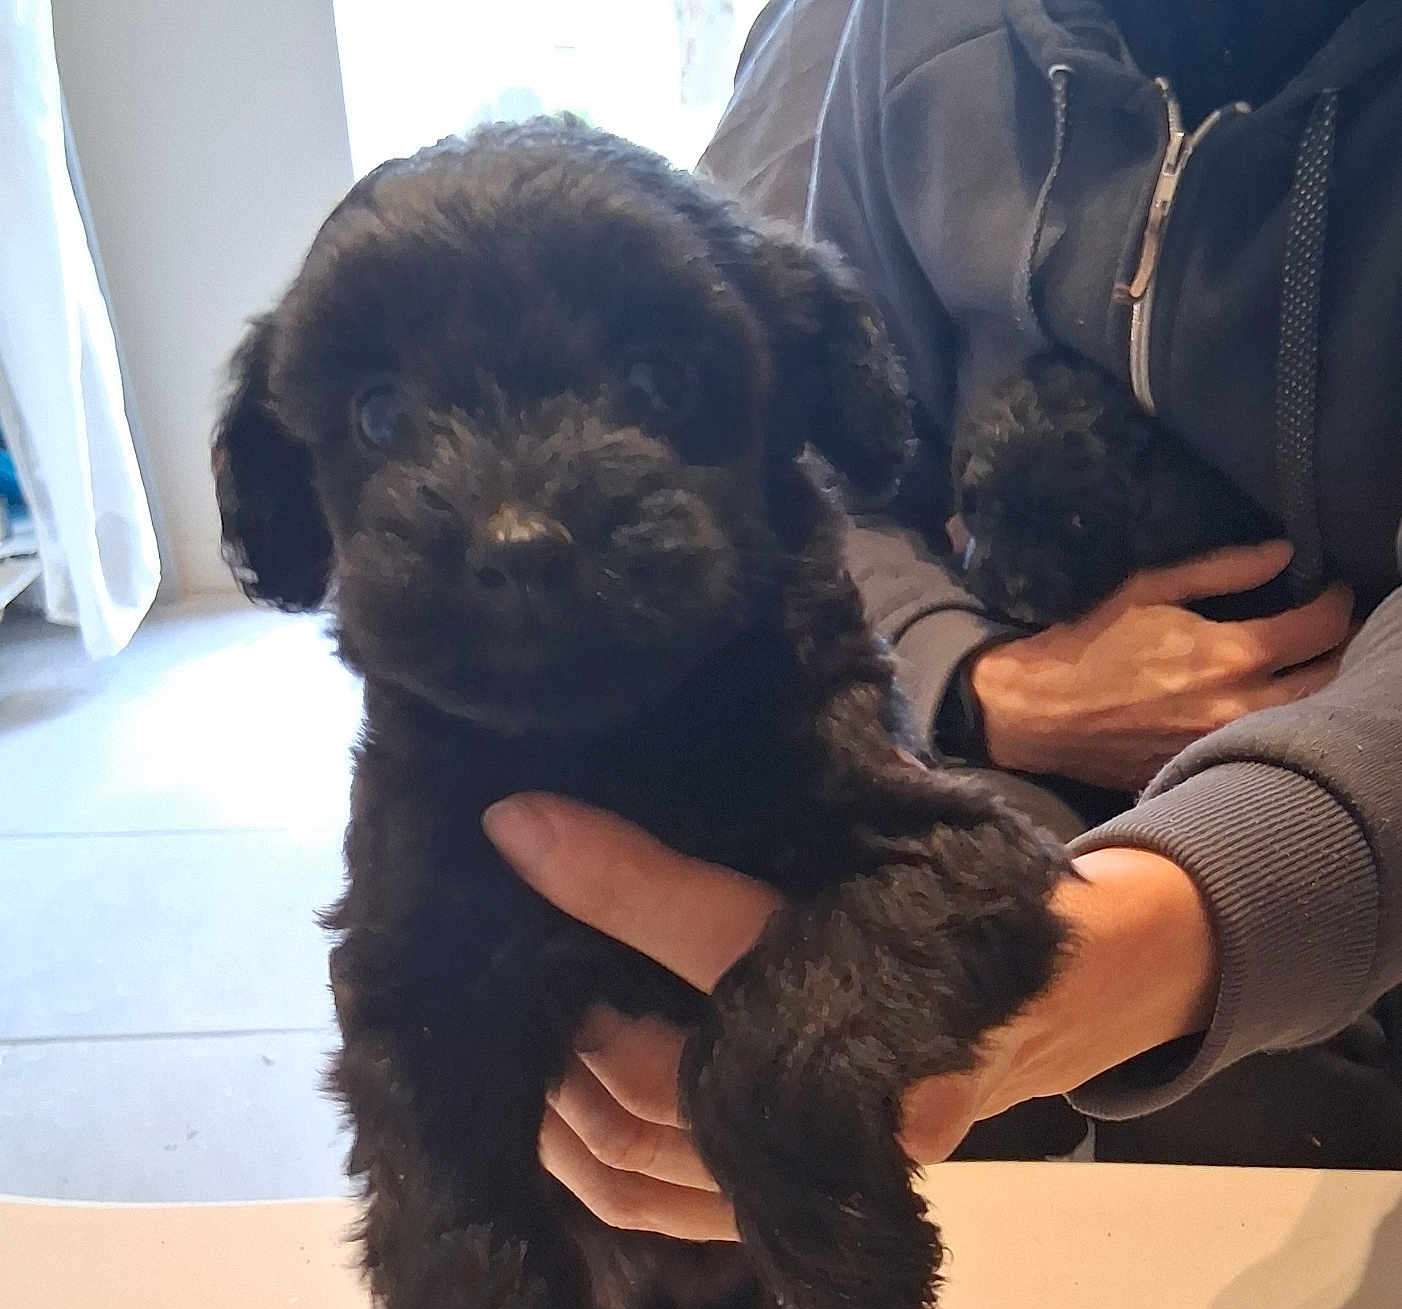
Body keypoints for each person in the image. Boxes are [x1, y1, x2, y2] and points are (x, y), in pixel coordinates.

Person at [488, 0, 1402, 1224]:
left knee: (1268, 1156)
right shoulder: (900, 34)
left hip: (1356, 789)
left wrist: (1168, 921)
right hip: (978, 734)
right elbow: (823, 472)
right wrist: (967, 678)